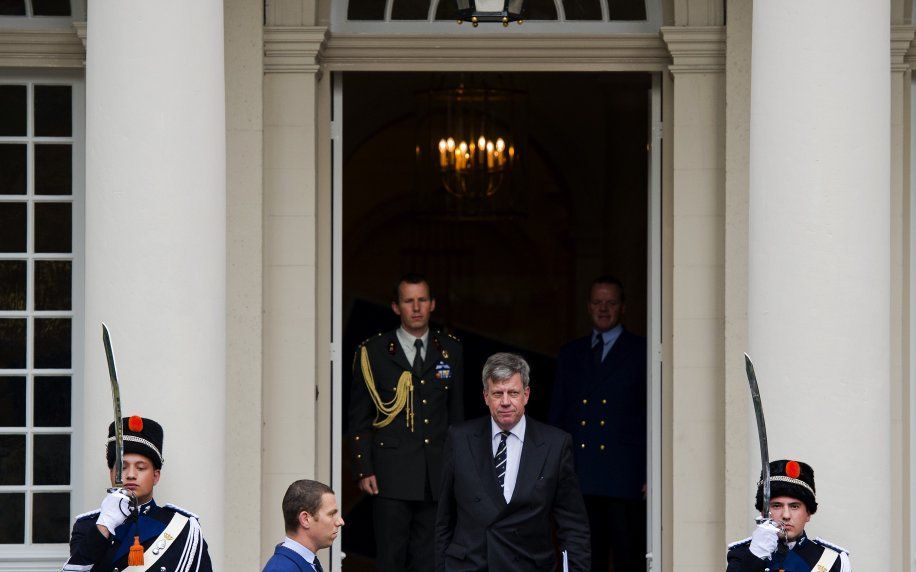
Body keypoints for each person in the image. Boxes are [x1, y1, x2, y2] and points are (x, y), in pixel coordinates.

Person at [348, 272, 464, 571]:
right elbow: (359, 416)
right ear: (396, 307)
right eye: (408, 301)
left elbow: (457, 417)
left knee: (430, 559)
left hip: (435, 475)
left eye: (422, 300)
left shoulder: (450, 350)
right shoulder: (373, 352)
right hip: (390, 474)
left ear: (433, 304)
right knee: (391, 558)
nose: (416, 307)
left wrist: (458, 470)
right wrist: (364, 467)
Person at [435, 352, 590, 571]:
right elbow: (444, 518)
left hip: (528, 565)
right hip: (471, 565)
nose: (506, 402)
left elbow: (573, 524)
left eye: (513, 393)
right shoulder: (459, 438)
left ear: (526, 394)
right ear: (485, 396)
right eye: (498, 393)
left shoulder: (555, 444)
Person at [548, 275, 647, 572]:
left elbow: (650, 417)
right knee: (586, 558)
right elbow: (558, 416)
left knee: (628, 556)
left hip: (625, 475)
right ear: (588, 306)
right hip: (581, 473)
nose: (603, 309)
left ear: (623, 308)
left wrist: (649, 472)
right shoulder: (571, 353)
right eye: (597, 302)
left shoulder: (641, 351)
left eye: (611, 303)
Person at [61, 415, 212, 572]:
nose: (131, 475)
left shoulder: (184, 528)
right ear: (111, 473)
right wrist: (105, 524)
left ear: (156, 476)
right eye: (123, 467)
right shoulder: (89, 526)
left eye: (140, 468)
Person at [726, 459, 851, 571]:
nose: (786, 515)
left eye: (794, 506)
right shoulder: (742, 555)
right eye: (776, 505)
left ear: (808, 513)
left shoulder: (834, 561)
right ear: (763, 513)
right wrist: (754, 558)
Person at [262, 479, 345, 572]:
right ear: (305, 519)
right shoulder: (281, 569)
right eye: (331, 514)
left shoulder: (307, 563)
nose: (340, 522)